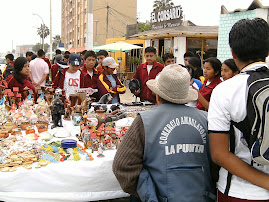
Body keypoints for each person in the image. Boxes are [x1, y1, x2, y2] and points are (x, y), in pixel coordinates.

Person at [113, 64, 214, 201]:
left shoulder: (145, 120)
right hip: (200, 196)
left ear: (157, 95)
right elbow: (217, 163)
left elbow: (123, 166)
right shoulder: (206, 119)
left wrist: (149, 195)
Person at [209, 18, 269, 202]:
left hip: (237, 191)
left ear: (233, 52)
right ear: (267, 51)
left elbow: (219, 154)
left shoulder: (225, 90)